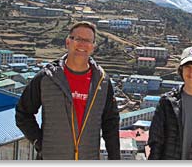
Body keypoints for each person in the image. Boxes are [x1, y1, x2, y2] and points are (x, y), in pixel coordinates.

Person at [15, 21, 120, 160]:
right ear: (67, 42)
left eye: (88, 40)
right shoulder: (46, 78)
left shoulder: (103, 82)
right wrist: (40, 143)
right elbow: (23, 114)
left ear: (93, 47)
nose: (82, 44)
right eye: (77, 39)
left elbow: (110, 123)